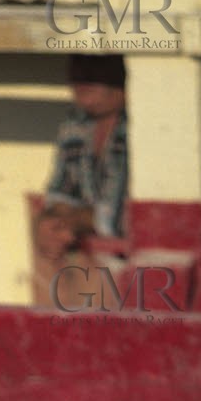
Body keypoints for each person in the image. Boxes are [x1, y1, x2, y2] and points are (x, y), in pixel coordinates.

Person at [34, 54, 127, 304]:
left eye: (95, 65)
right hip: (95, 263)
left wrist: (74, 219)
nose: (81, 76)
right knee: (47, 243)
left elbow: (121, 219)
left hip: (135, 271)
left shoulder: (140, 124)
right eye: (77, 63)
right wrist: (55, 220)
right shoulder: (77, 122)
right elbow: (61, 192)